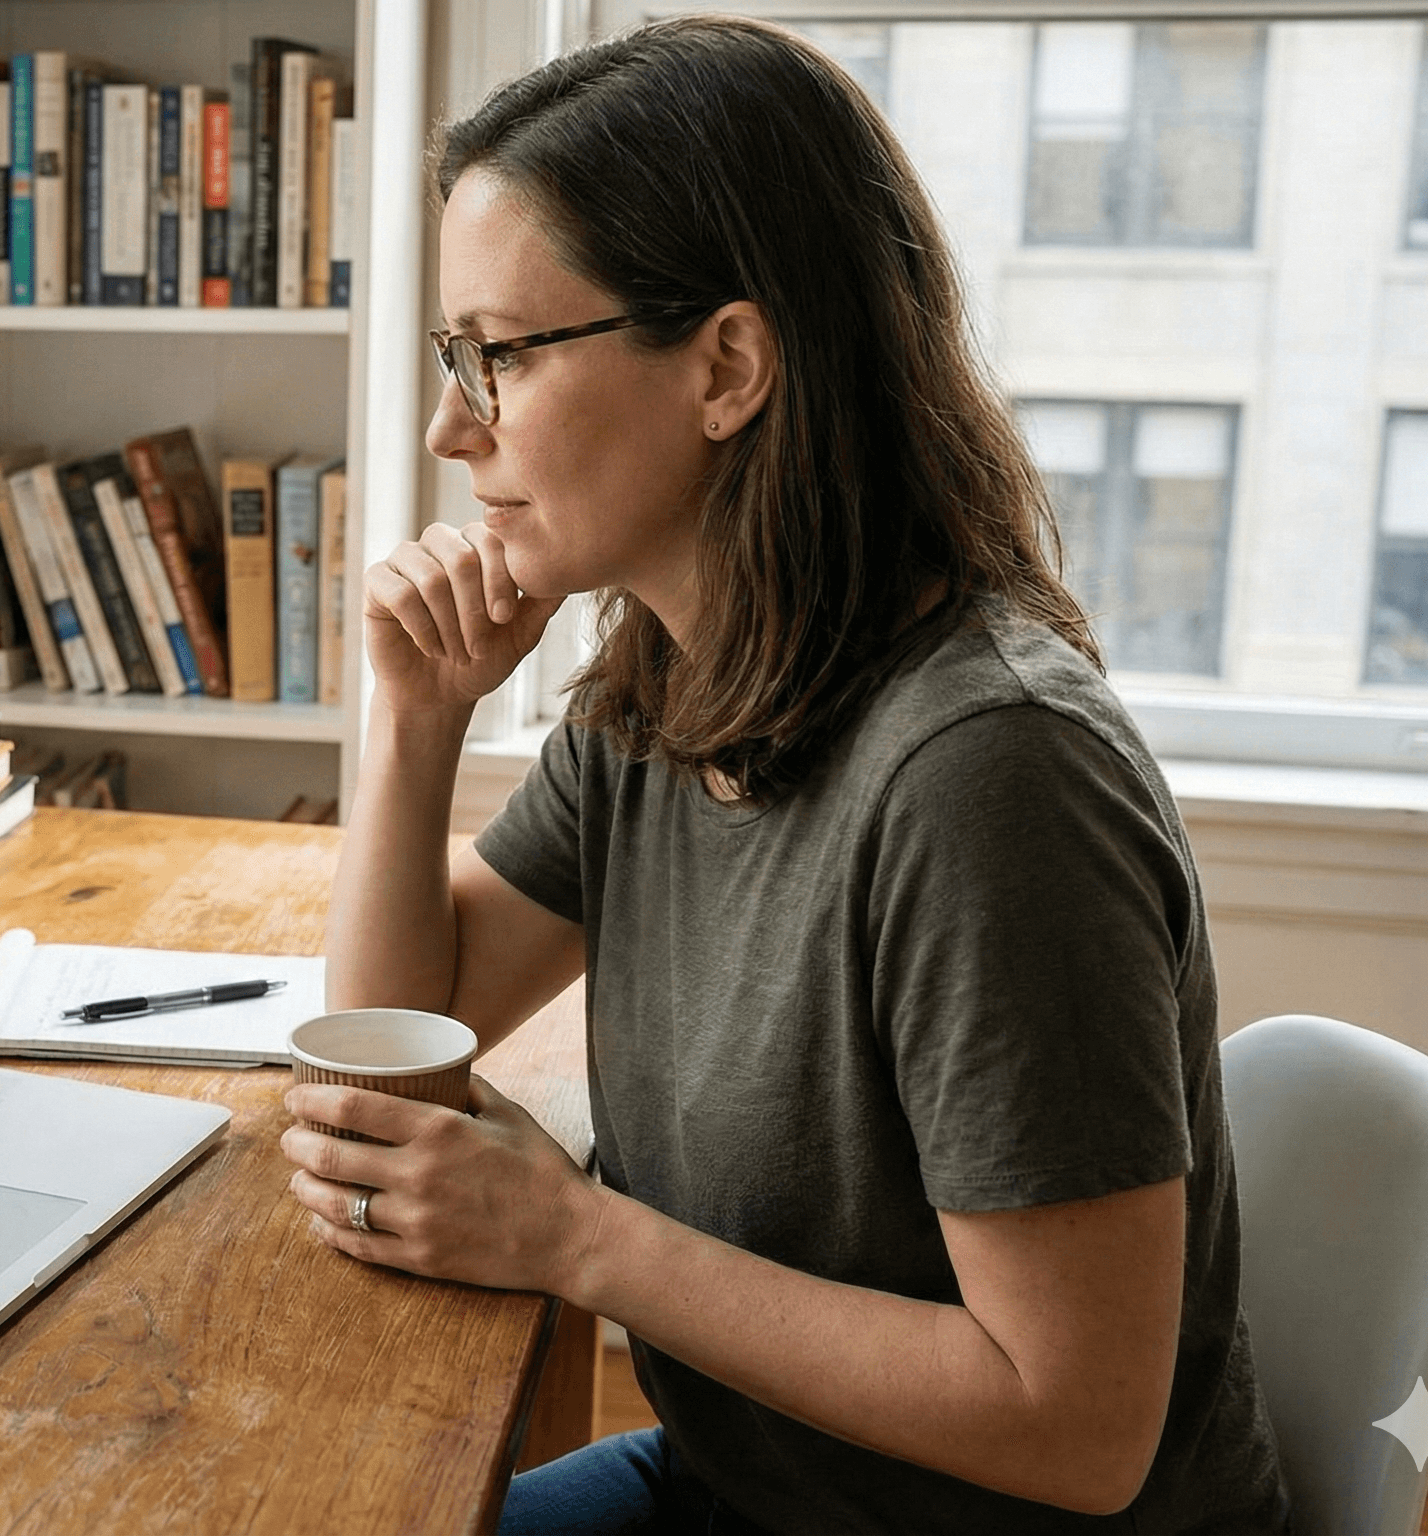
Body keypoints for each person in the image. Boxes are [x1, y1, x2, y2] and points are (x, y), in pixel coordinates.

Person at [276, 16, 1291, 1533]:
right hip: (748, 1493)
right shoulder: (672, 684)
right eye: (452, 355)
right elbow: (401, 1045)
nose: (448, 425)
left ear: (729, 365)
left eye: (500, 355)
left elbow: (1078, 1428)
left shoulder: (991, 779)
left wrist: (577, 1239)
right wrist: (414, 721)